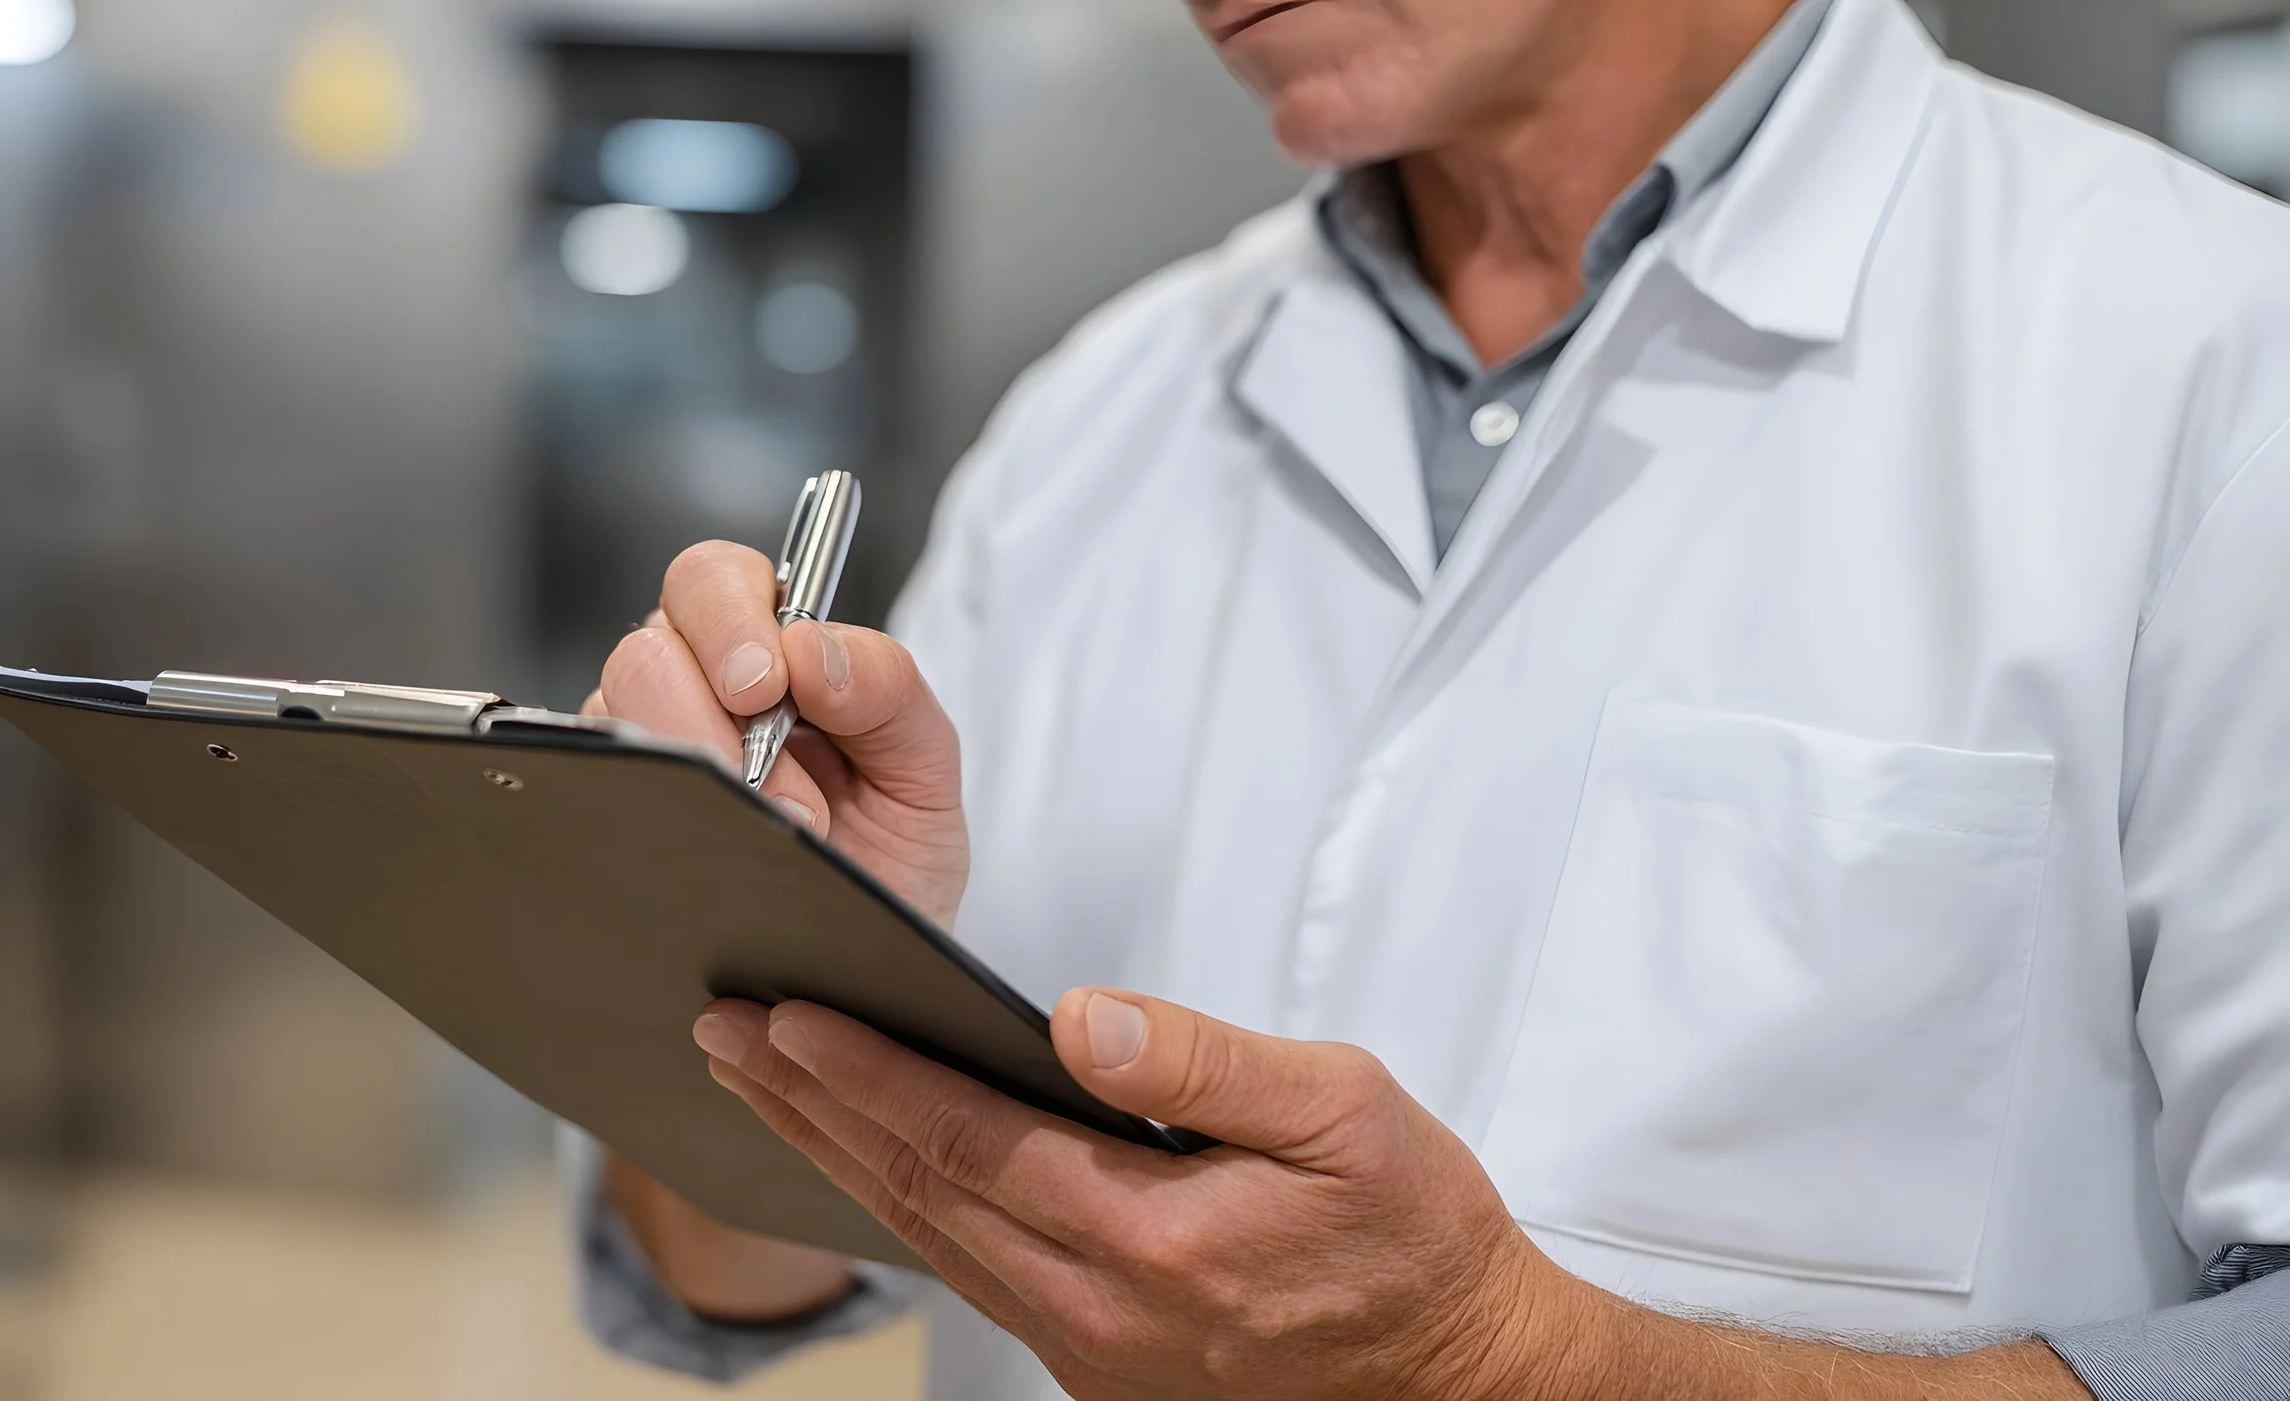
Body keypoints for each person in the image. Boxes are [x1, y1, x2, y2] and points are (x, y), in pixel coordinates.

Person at [569, 0, 2290, 1395]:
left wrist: (1509, 1369)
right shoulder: (1098, 412)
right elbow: (723, 1268)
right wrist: (751, 974)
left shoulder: (2213, 362)